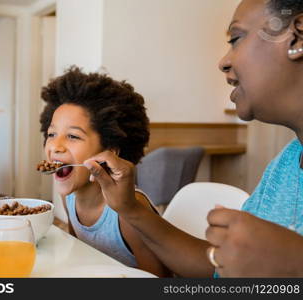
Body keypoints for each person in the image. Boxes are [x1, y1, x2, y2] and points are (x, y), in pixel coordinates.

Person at [83, 0, 303, 277]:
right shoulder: (286, 163)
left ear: (297, 37)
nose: (223, 61)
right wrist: (130, 209)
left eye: (235, 39)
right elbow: (219, 270)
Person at [39, 67, 170, 277]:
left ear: (109, 152)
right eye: (52, 133)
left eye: (73, 136)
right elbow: (79, 253)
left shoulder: (128, 212)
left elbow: (157, 279)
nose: (55, 146)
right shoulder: (69, 197)